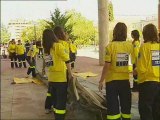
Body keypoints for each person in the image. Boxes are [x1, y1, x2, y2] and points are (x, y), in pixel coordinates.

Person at [99, 22, 133, 120]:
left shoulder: (110, 46)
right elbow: (135, 61)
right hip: (125, 81)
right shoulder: (129, 46)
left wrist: (101, 80)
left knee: (113, 110)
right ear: (125, 33)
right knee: (126, 108)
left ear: (115, 32)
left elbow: (107, 66)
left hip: (111, 82)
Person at [42, 29, 72, 120]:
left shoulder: (46, 50)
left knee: (55, 100)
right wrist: (70, 74)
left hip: (52, 78)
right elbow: (67, 60)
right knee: (61, 102)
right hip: (60, 79)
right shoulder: (58, 46)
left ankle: (56, 115)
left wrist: (44, 70)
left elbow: (49, 64)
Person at [134, 24, 160, 120]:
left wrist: (136, 71)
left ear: (145, 34)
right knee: (157, 110)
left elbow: (142, 68)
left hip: (147, 83)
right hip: (159, 83)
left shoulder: (144, 47)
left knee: (145, 110)